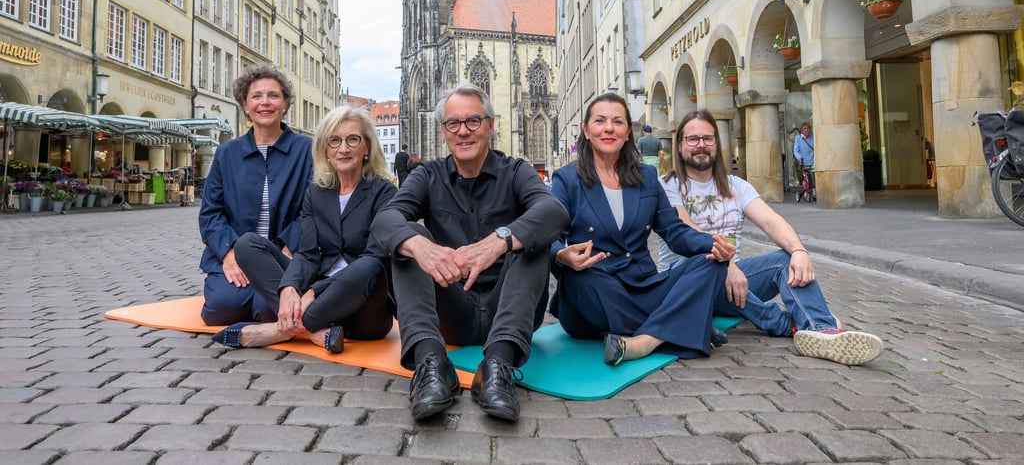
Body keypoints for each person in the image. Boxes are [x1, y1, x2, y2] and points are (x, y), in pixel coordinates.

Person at [371, 84, 569, 422]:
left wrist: (500, 240)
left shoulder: (516, 171)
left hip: (508, 309)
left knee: (531, 239)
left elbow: (554, 211)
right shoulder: (427, 175)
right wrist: (422, 247)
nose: (463, 131)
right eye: (453, 123)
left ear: (490, 126)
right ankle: (431, 367)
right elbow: (385, 219)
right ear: (444, 131)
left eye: (473, 121)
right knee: (408, 241)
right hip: (452, 311)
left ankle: (497, 367)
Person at [658, 110, 883, 366]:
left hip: (735, 282)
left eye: (708, 139)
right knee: (712, 268)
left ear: (717, 144)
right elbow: (686, 229)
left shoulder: (736, 186)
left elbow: (770, 221)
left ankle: (822, 331)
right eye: (693, 139)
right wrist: (723, 264)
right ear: (680, 146)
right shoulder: (667, 185)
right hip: (686, 282)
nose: (701, 145)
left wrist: (799, 251)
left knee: (785, 259)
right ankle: (791, 322)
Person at [548, 93, 735, 369]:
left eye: (618, 122)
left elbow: (674, 231)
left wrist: (712, 244)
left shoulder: (646, 177)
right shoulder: (566, 179)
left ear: (627, 133)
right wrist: (562, 255)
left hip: (642, 285)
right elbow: (548, 236)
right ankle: (683, 327)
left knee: (712, 264)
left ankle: (646, 341)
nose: (609, 128)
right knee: (580, 277)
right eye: (600, 121)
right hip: (594, 292)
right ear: (586, 131)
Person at [211, 106, 396, 352]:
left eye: (353, 139)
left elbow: (377, 258)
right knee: (247, 244)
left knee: (369, 265)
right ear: (325, 150)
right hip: (317, 296)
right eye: (334, 140)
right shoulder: (317, 192)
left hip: (363, 310)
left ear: (367, 148)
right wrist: (289, 287)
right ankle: (315, 331)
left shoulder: (384, 193)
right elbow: (308, 253)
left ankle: (278, 330)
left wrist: (313, 292)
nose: (343, 148)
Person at [198, 64, 312, 326]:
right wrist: (228, 253)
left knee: (267, 311)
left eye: (273, 95)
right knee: (220, 310)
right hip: (236, 253)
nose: (265, 103)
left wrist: (289, 249)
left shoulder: (306, 151)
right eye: (256, 96)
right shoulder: (227, 153)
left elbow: (313, 209)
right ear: (245, 104)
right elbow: (211, 212)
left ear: (285, 103)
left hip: (283, 255)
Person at [793, 121, 815, 194]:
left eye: (808, 128)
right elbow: (796, 150)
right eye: (805, 128)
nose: (807, 130)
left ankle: (814, 191)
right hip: (804, 161)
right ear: (802, 130)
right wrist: (799, 157)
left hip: (813, 160)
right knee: (806, 176)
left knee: (814, 176)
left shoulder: (813, 136)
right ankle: (806, 189)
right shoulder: (798, 138)